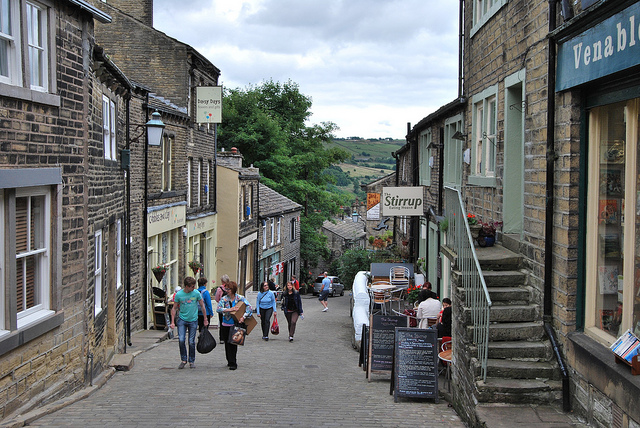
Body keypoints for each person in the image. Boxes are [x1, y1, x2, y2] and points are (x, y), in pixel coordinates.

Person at [170, 276, 208, 369]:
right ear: (186, 286)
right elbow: (174, 308)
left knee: (191, 341)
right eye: (192, 286)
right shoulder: (179, 295)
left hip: (193, 320)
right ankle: (183, 359)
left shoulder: (196, 293)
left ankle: (191, 360)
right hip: (182, 319)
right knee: (181, 339)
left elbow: (202, 306)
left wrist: (205, 319)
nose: (193, 288)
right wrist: (172, 322)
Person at [216, 281, 252, 370]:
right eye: (226, 289)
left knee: (234, 343)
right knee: (227, 344)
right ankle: (229, 360)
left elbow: (249, 308)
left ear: (233, 290)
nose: (227, 290)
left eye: (229, 289)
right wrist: (228, 309)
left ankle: (233, 362)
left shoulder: (240, 298)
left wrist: (243, 317)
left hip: (235, 324)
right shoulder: (224, 299)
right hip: (225, 324)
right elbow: (218, 309)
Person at [215, 274, 230, 342]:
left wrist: (220, 302)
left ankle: (222, 338)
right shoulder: (230, 288)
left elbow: (216, 298)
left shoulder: (219, 289)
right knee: (229, 322)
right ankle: (229, 336)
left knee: (221, 322)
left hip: (221, 308)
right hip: (229, 307)